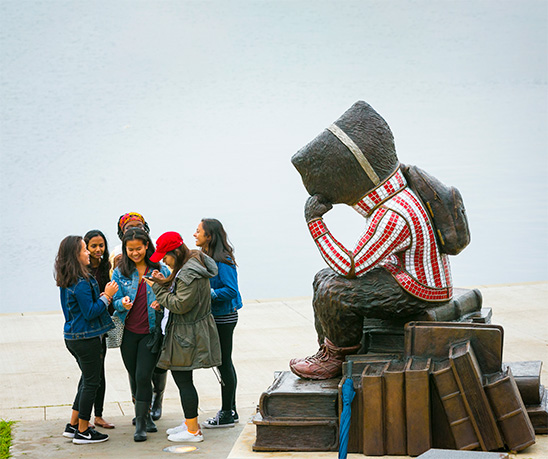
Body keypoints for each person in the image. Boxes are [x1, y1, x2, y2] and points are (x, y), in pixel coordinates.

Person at [144, 231, 221, 443]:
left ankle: (193, 430)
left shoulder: (189, 272)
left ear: (176, 252)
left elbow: (179, 304)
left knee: (183, 380)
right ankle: (189, 422)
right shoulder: (191, 261)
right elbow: (181, 290)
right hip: (186, 331)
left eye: (165, 256)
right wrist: (165, 281)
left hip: (186, 334)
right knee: (184, 380)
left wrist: (157, 289)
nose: (164, 261)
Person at [55, 235, 118, 444]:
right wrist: (106, 295)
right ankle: (83, 430)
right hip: (85, 338)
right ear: (75, 255)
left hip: (74, 337)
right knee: (92, 382)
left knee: (86, 380)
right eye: (84, 249)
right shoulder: (80, 282)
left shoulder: (68, 279)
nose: (89, 252)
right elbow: (90, 312)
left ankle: (73, 424)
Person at [111, 227, 170, 442]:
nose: (135, 253)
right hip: (128, 333)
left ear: (147, 246)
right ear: (125, 249)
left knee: (144, 376)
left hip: (150, 332)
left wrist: (160, 302)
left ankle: (141, 426)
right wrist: (122, 303)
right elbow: (115, 301)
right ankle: (145, 414)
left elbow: (169, 297)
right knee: (135, 377)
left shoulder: (159, 269)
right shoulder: (120, 271)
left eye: (138, 249)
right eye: (130, 249)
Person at [194, 219, 243, 428]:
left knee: (224, 363)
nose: (194, 234)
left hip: (225, 317)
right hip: (217, 317)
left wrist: (209, 294)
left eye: (198, 232)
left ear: (209, 236)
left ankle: (226, 413)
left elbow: (232, 290)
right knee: (223, 363)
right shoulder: (207, 257)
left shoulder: (222, 260)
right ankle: (231, 411)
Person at [83, 230, 116, 430]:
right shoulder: (83, 270)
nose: (98, 250)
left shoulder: (107, 267)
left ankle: (99, 415)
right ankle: (84, 417)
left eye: (101, 245)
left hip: (103, 323)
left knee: (100, 372)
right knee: (92, 374)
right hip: (90, 325)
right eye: (93, 246)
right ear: (86, 247)